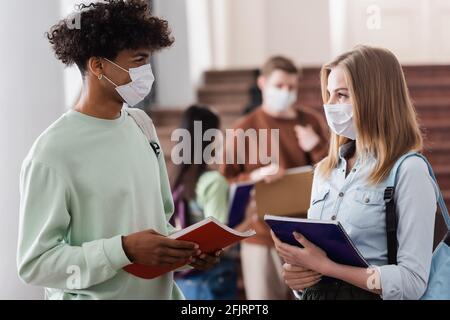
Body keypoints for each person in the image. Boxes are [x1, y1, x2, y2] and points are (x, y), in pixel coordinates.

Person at [17, 0, 220, 300]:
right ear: (98, 65)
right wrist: (122, 250)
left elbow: (161, 221)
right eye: (137, 60)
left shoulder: (141, 125)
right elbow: (36, 264)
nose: (146, 72)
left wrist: (185, 248)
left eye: (148, 60)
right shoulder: (52, 153)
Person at [272, 45, 438, 300]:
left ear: (375, 97)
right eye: (329, 95)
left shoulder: (408, 171)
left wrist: (330, 269)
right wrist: (300, 279)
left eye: (342, 95)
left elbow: (412, 282)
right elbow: (314, 265)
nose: (331, 106)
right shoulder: (324, 172)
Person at [220, 56, 329, 300]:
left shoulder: (311, 122)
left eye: (292, 87)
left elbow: (337, 173)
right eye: (279, 86)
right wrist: (255, 176)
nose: (286, 92)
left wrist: (317, 148)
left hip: (308, 235)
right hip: (260, 237)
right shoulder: (243, 128)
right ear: (262, 83)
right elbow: (225, 183)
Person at [171, 105, 250, 300]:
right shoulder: (214, 182)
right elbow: (218, 245)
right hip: (211, 280)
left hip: (181, 281)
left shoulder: (175, 180)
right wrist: (250, 219)